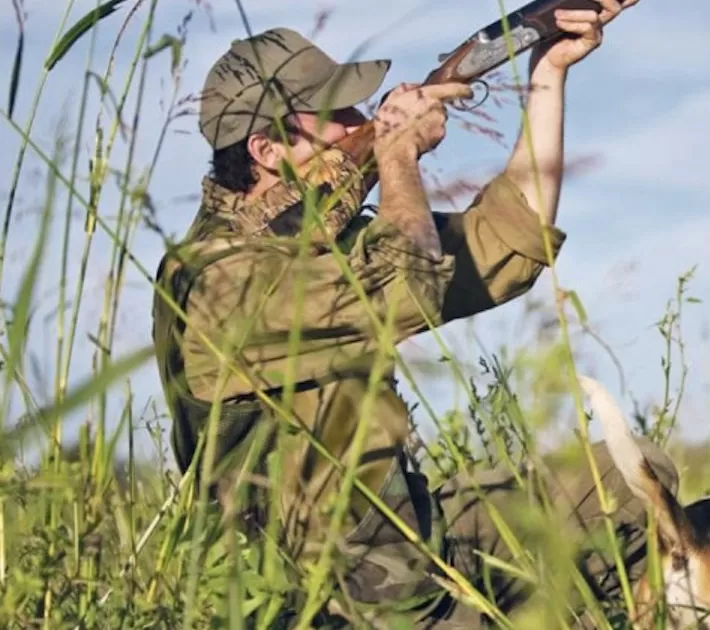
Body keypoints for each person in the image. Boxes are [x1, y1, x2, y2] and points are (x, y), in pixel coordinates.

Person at [150, 1, 678, 627]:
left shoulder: (323, 241)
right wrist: (396, 156)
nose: (360, 121)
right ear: (267, 150)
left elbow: (511, 242)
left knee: (635, 477)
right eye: (337, 115)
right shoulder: (216, 280)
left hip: (408, 531)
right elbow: (411, 284)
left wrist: (546, 74)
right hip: (335, 594)